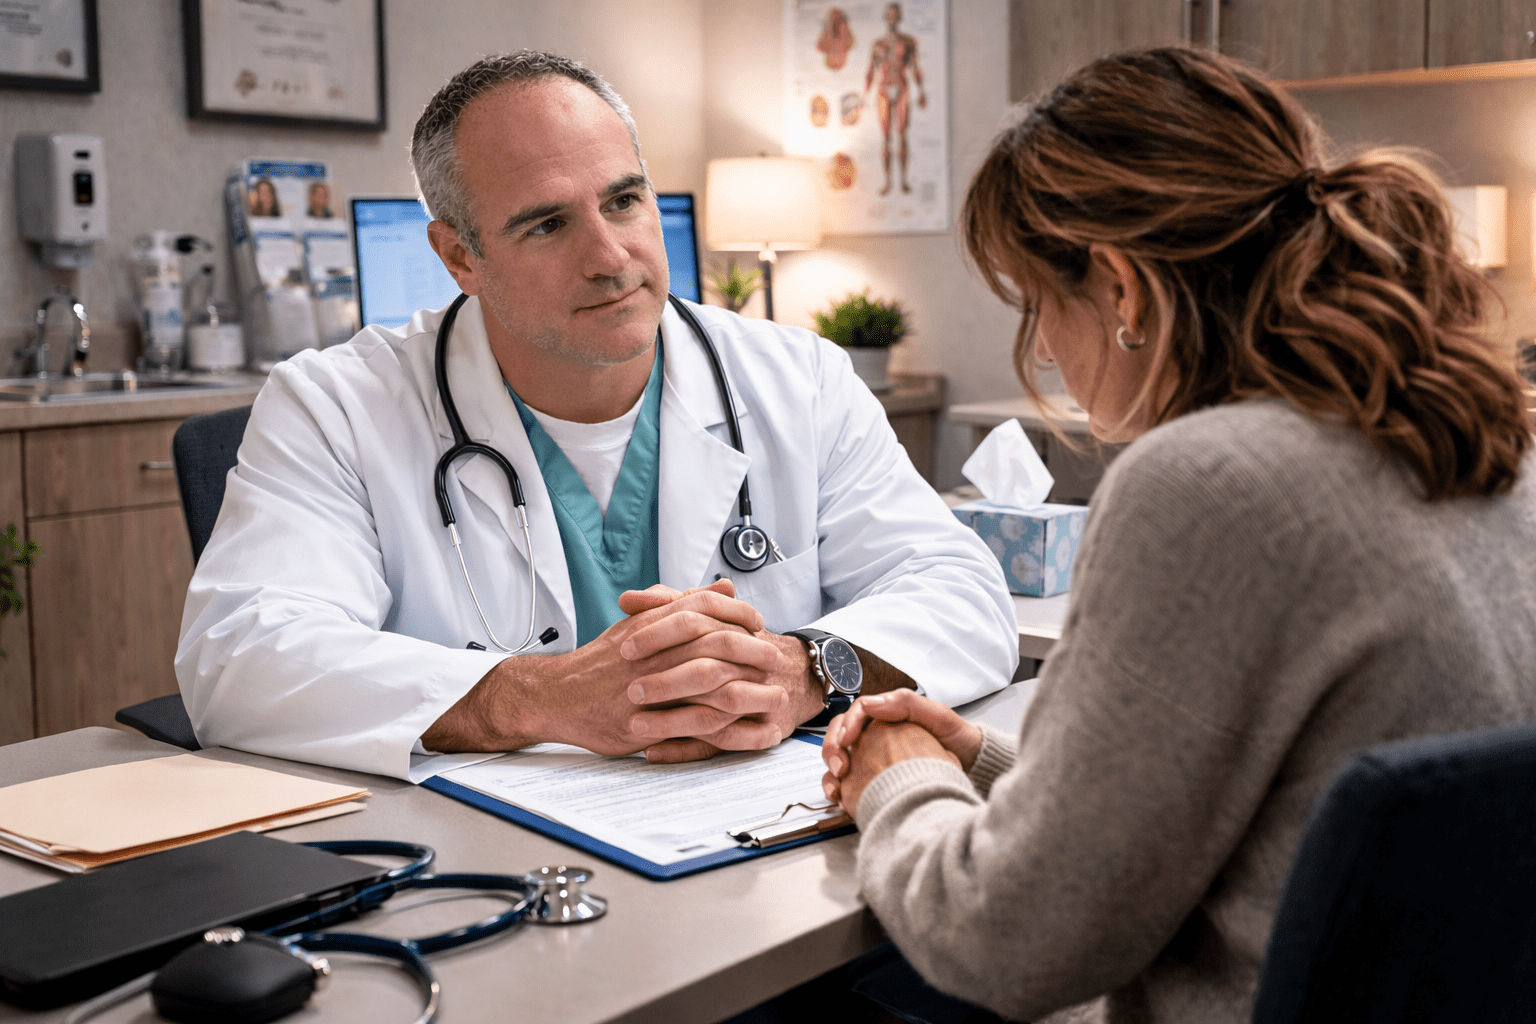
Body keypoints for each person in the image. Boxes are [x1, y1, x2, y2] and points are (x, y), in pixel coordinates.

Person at [820, 46, 1536, 1023]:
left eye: (1037, 300)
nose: (1042, 349)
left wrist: (894, 776)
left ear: (1118, 289)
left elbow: (1006, 941)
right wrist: (980, 759)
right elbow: (1282, 805)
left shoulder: (1211, 484)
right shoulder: (1482, 436)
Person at [176, 51, 1017, 783]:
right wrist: (540, 698)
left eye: (624, 202)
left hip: (759, 843)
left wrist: (801, 669)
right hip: (483, 866)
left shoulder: (799, 379)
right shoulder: (333, 407)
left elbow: (964, 592)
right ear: (459, 255)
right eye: (547, 224)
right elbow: (239, 657)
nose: (612, 259)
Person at [862, 2, 925, 196]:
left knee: (902, 134)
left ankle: (903, 180)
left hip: (901, 86)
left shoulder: (908, 42)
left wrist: (921, 91)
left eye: (894, 15)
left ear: (899, 17)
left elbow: (915, 68)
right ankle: (888, 182)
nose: (891, 18)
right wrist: (864, 96)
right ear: (885, 17)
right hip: (883, 88)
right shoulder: (878, 44)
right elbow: (871, 71)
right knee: (885, 137)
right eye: (889, 14)